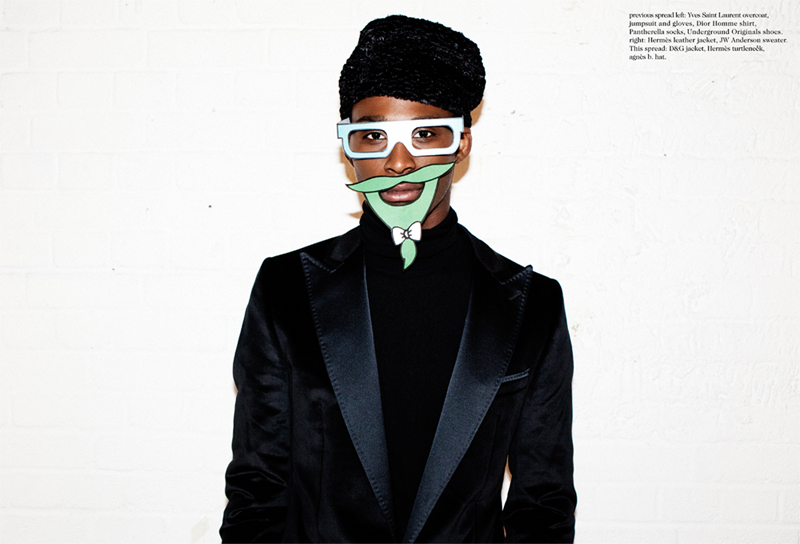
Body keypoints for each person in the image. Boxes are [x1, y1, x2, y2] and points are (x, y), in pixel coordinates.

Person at [220, 15, 576, 543]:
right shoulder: (286, 289)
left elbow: (543, 504)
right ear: (349, 149)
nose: (399, 161)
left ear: (461, 144)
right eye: (373, 136)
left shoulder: (531, 305)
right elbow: (258, 488)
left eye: (425, 134)